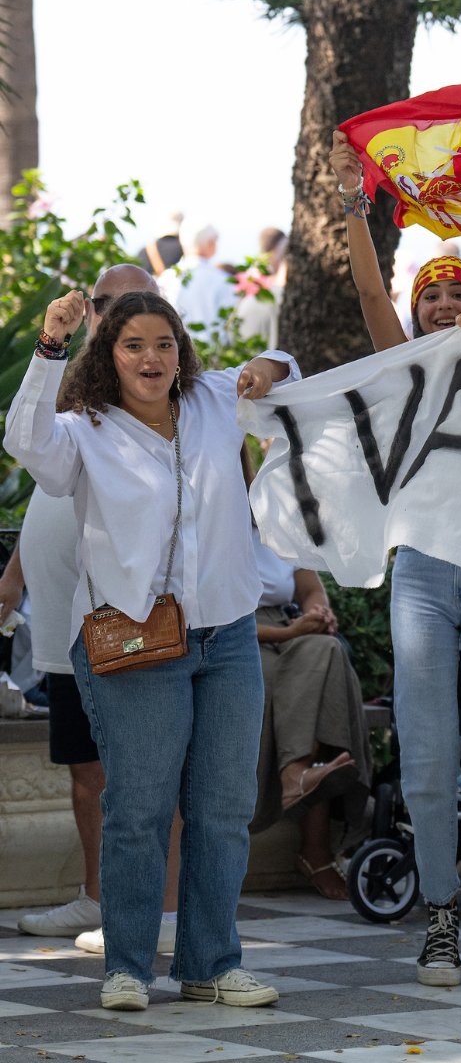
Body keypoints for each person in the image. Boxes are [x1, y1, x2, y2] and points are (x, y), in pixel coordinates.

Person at [4, 289, 298, 1012]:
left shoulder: (210, 400)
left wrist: (264, 365)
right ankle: (128, 967)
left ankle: (210, 964)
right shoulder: (84, 431)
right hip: (131, 638)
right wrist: (50, 345)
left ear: (180, 351)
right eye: (133, 345)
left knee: (223, 805)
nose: (151, 358)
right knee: (138, 806)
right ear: (109, 356)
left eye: (164, 344)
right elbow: (24, 437)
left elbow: (290, 366)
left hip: (226, 631)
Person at [330, 128, 461, 989]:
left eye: (459, 294)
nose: (445, 307)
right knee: (424, 752)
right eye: (433, 298)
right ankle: (437, 920)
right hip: (419, 573)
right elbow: (370, 286)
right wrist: (353, 201)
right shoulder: (400, 366)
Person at [10, 266, 182, 954]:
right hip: (61, 618)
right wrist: (16, 571)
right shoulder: (75, 388)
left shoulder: (165, 394)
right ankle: (95, 899)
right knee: (85, 767)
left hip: (129, 619)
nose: (113, 318)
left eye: (131, 309)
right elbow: (45, 477)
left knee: (147, 772)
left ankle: (161, 916)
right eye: (105, 306)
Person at [249, 521, 373, 901]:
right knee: (279, 679)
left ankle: (295, 776)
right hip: (238, 634)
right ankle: (312, 843)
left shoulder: (277, 519)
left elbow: (309, 587)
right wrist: (291, 633)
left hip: (289, 625)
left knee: (327, 653)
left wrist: (319, 613)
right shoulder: (209, 518)